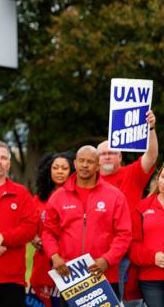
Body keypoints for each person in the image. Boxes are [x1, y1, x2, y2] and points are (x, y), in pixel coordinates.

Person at [42, 145, 132, 306]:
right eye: (81, 161)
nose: (84, 165)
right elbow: (48, 232)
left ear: (98, 166)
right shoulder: (58, 197)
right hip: (71, 277)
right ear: (75, 163)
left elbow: (124, 234)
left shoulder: (115, 196)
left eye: (90, 162)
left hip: (104, 276)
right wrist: (54, 256)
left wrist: (107, 259)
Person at [98, 110, 157, 305]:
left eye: (112, 153)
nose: (107, 157)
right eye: (103, 154)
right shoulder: (90, 180)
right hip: (97, 251)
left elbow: (151, 155)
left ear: (120, 156)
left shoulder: (132, 173)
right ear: (97, 160)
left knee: (124, 299)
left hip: (126, 252)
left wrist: (151, 128)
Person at [0, 141, 38, 307]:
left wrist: (2, 238)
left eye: (3, 158)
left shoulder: (20, 193)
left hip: (12, 279)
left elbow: (30, 227)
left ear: (9, 164)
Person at [30, 152, 74, 307]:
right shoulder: (39, 199)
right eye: (55, 168)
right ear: (48, 171)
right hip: (43, 262)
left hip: (69, 262)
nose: (60, 171)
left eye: (64, 168)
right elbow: (28, 225)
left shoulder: (77, 196)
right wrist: (33, 238)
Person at [129, 165, 164, 307]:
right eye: (162, 177)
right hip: (151, 279)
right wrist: (153, 257)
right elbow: (132, 245)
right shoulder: (142, 207)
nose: (163, 182)